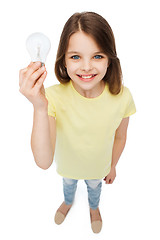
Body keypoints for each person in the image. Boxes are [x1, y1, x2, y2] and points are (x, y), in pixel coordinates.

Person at [19, 12, 136, 234]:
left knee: (94, 189)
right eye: (75, 57)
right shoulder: (51, 98)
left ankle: (94, 208)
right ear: (63, 59)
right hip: (68, 168)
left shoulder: (123, 96)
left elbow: (121, 136)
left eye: (97, 56)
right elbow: (43, 162)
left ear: (110, 58)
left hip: (98, 169)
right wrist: (39, 107)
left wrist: (112, 166)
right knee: (68, 187)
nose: (86, 67)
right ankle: (68, 202)